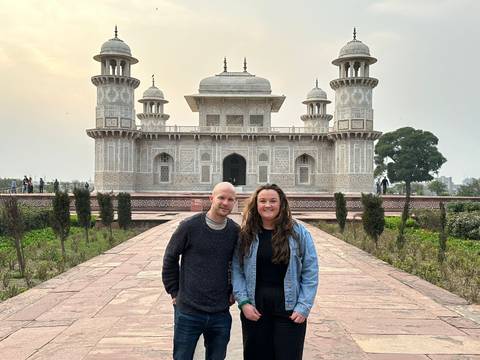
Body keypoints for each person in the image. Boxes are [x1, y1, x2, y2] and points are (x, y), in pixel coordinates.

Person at [232, 184, 319, 360]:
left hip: (290, 308)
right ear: (256, 204)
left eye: (273, 201)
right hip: (255, 308)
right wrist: (244, 302)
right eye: (262, 201)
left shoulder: (298, 232)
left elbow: (310, 270)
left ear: (281, 204)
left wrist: (304, 306)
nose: (268, 205)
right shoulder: (247, 234)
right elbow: (236, 269)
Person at [162, 182, 239, 360]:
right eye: (221, 197)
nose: (225, 203)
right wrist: (174, 291)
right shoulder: (190, 226)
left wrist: (233, 290)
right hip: (189, 311)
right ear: (211, 198)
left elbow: (238, 264)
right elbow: (170, 258)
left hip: (220, 311)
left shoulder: (234, 231)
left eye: (230, 199)